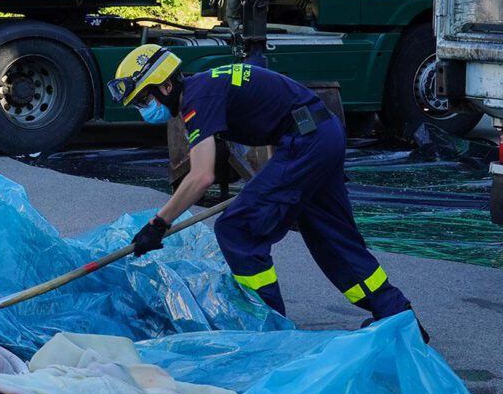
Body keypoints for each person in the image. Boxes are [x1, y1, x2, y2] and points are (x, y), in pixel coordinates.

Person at [107, 44, 427, 340]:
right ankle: (397, 315)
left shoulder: (196, 99)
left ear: (166, 86)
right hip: (320, 134)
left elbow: (201, 176)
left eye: (144, 100)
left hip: (307, 142)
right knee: (332, 237)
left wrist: (158, 224)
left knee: (237, 228)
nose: (143, 109)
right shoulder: (203, 88)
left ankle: (268, 328)